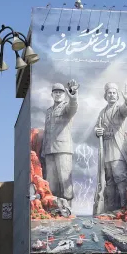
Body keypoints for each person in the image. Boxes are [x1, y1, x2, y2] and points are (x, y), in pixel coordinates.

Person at [94, 82, 127, 212]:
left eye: (114, 93)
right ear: (105, 96)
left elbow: (126, 109)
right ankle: (110, 208)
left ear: (117, 96)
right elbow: (97, 126)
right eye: (109, 93)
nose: (111, 95)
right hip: (106, 148)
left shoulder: (119, 109)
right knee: (109, 180)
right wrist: (97, 131)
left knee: (120, 177)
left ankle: (123, 206)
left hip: (117, 149)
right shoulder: (102, 112)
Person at [42, 80, 79, 208]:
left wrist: (73, 96)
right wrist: (43, 150)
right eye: (55, 92)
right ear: (52, 95)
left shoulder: (66, 107)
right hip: (49, 150)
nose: (58, 94)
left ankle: (68, 207)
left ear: (64, 94)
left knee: (65, 179)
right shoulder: (48, 111)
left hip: (63, 148)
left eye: (60, 92)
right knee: (51, 182)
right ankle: (56, 208)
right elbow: (47, 131)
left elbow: (73, 107)